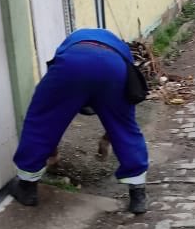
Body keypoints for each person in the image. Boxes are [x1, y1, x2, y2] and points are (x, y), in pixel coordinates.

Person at [10, 27, 149, 214]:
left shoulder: (69, 46)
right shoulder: (123, 54)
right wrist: (108, 137)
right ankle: (138, 194)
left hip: (72, 66)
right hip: (114, 68)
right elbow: (123, 116)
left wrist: (51, 153)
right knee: (125, 128)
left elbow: (51, 118)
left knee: (41, 121)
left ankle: (27, 188)